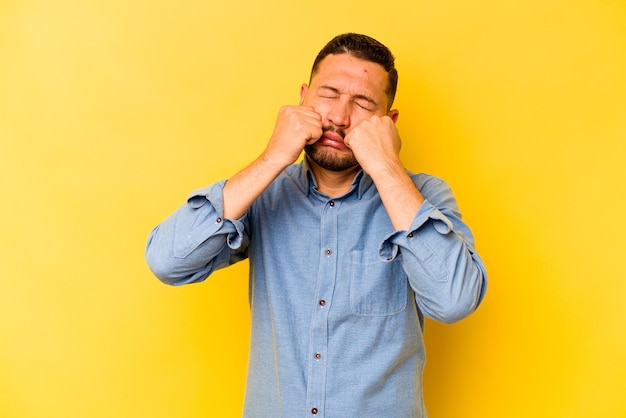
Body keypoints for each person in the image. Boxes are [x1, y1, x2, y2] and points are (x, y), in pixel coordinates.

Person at [145, 33, 487, 417]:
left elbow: (455, 300)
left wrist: (387, 167)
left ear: (387, 123)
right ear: (303, 97)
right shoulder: (264, 193)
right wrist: (273, 156)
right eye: (329, 94)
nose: (340, 117)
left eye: (363, 104)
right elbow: (168, 261)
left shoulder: (422, 196)